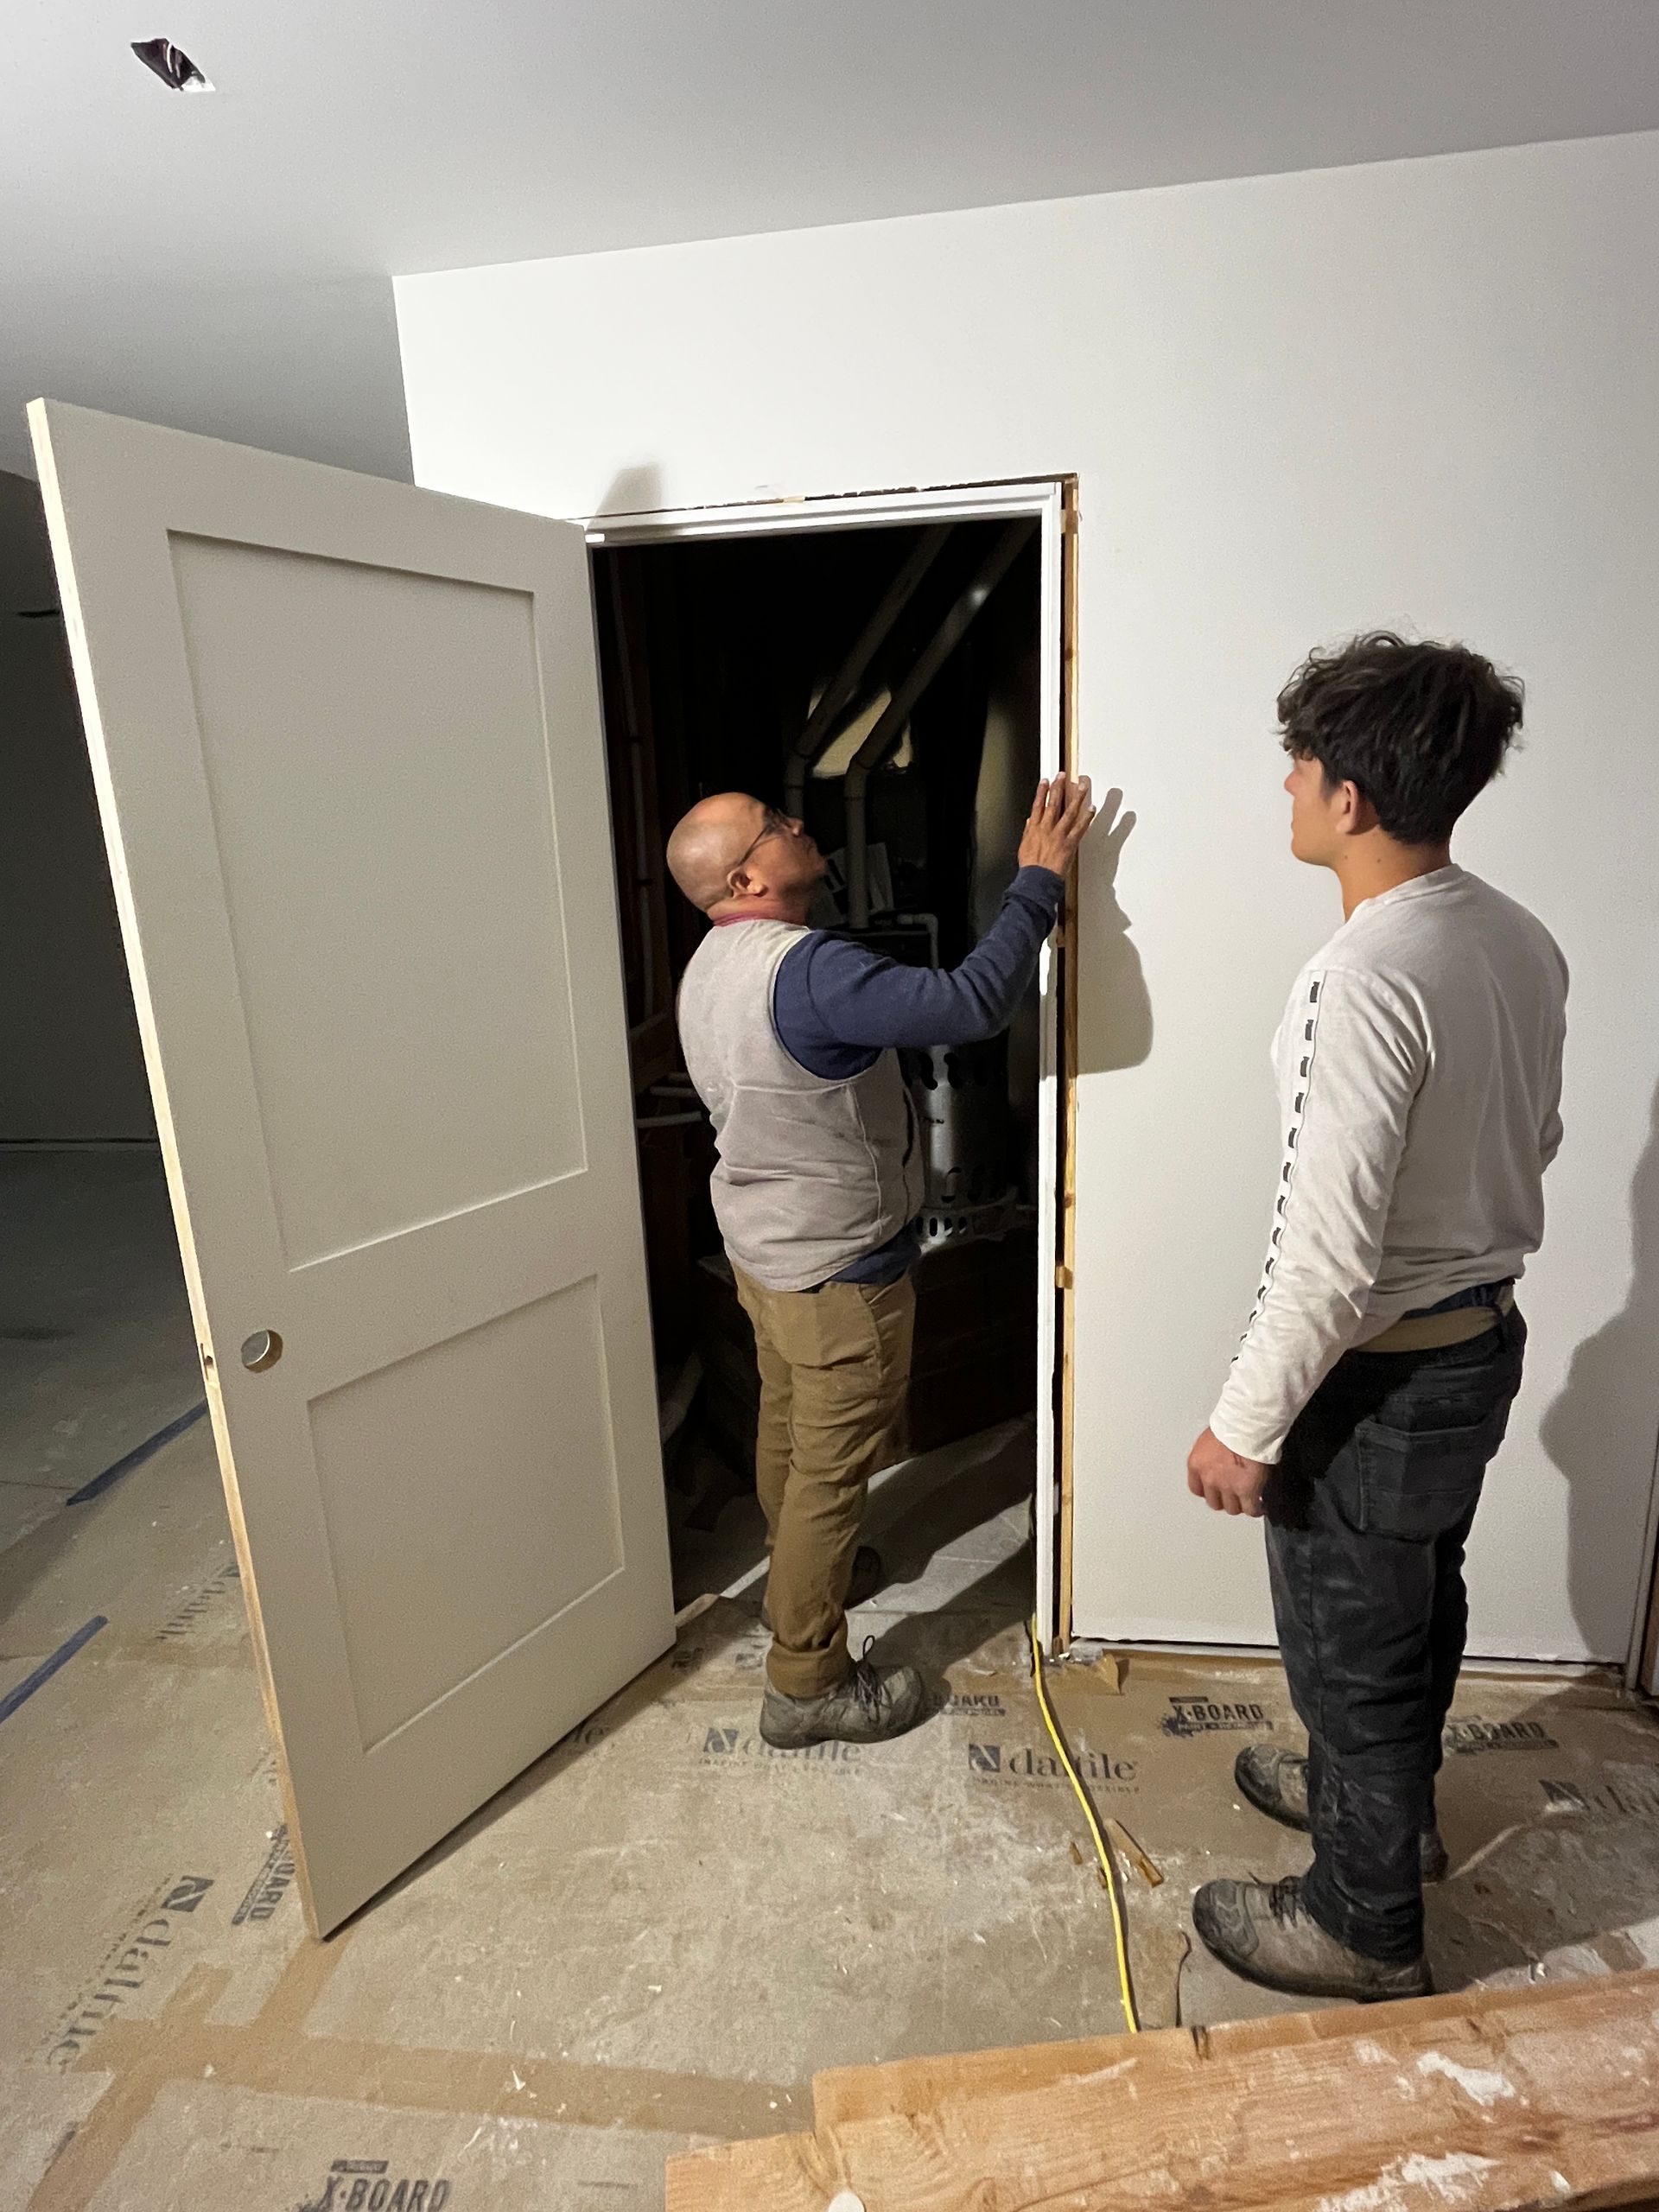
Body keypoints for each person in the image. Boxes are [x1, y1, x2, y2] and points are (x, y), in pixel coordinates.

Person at [1186, 632, 1567, 2003]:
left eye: (1301, 762)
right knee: (1417, 1601)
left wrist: (1245, 1424)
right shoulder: (1515, 937)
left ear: (1348, 795)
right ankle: (1387, 1814)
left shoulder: (1362, 977)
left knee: (1350, 1645)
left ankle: (1363, 1925)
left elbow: (1328, 1255)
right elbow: (1541, 1132)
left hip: (1381, 1376)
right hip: (1476, 1345)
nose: (1286, 784)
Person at [667, 776, 1099, 1748]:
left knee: (788, 1422)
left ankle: (797, 1566)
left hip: (766, 1251)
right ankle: (807, 1680)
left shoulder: (709, 963)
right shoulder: (808, 970)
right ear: (745, 874)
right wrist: (1037, 878)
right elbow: (974, 1002)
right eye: (777, 827)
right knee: (831, 1468)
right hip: (835, 1267)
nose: (798, 826)